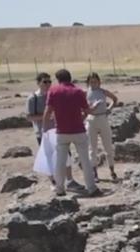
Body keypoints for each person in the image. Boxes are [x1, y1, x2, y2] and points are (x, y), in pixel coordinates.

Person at [42, 69, 99, 197]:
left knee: (60, 162)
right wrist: (93, 108)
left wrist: (45, 128)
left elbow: (48, 111)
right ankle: (91, 188)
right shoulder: (78, 91)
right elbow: (87, 110)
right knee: (85, 160)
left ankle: (60, 188)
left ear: (58, 79)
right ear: (70, 78)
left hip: (62, 131)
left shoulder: (54, 91)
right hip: (78, 130)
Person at [27, 72, 78, 189]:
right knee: (48, 157)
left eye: (49, 81)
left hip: (58, 130)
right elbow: (29, 117)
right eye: (45, 82)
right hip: (43, 133)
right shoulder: (33, 98)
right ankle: (54, 183)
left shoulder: (54, 94)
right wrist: (45, 116)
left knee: (66, 155)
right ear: (38, 83)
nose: (48, 84)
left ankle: (70, 180)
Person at [85, 73, 119, 181]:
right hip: (91, 119)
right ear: (88, 83)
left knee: (108, 145)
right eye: (91, 82)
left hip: (102, 118)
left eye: (95, 81)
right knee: (92, 147)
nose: (93, 84)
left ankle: (112, 170)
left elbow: (114, 99)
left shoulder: (103, 92)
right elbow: (83, 107)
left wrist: (109, 109)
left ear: (99, 82)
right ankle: (95, 173)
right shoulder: (86, 93)